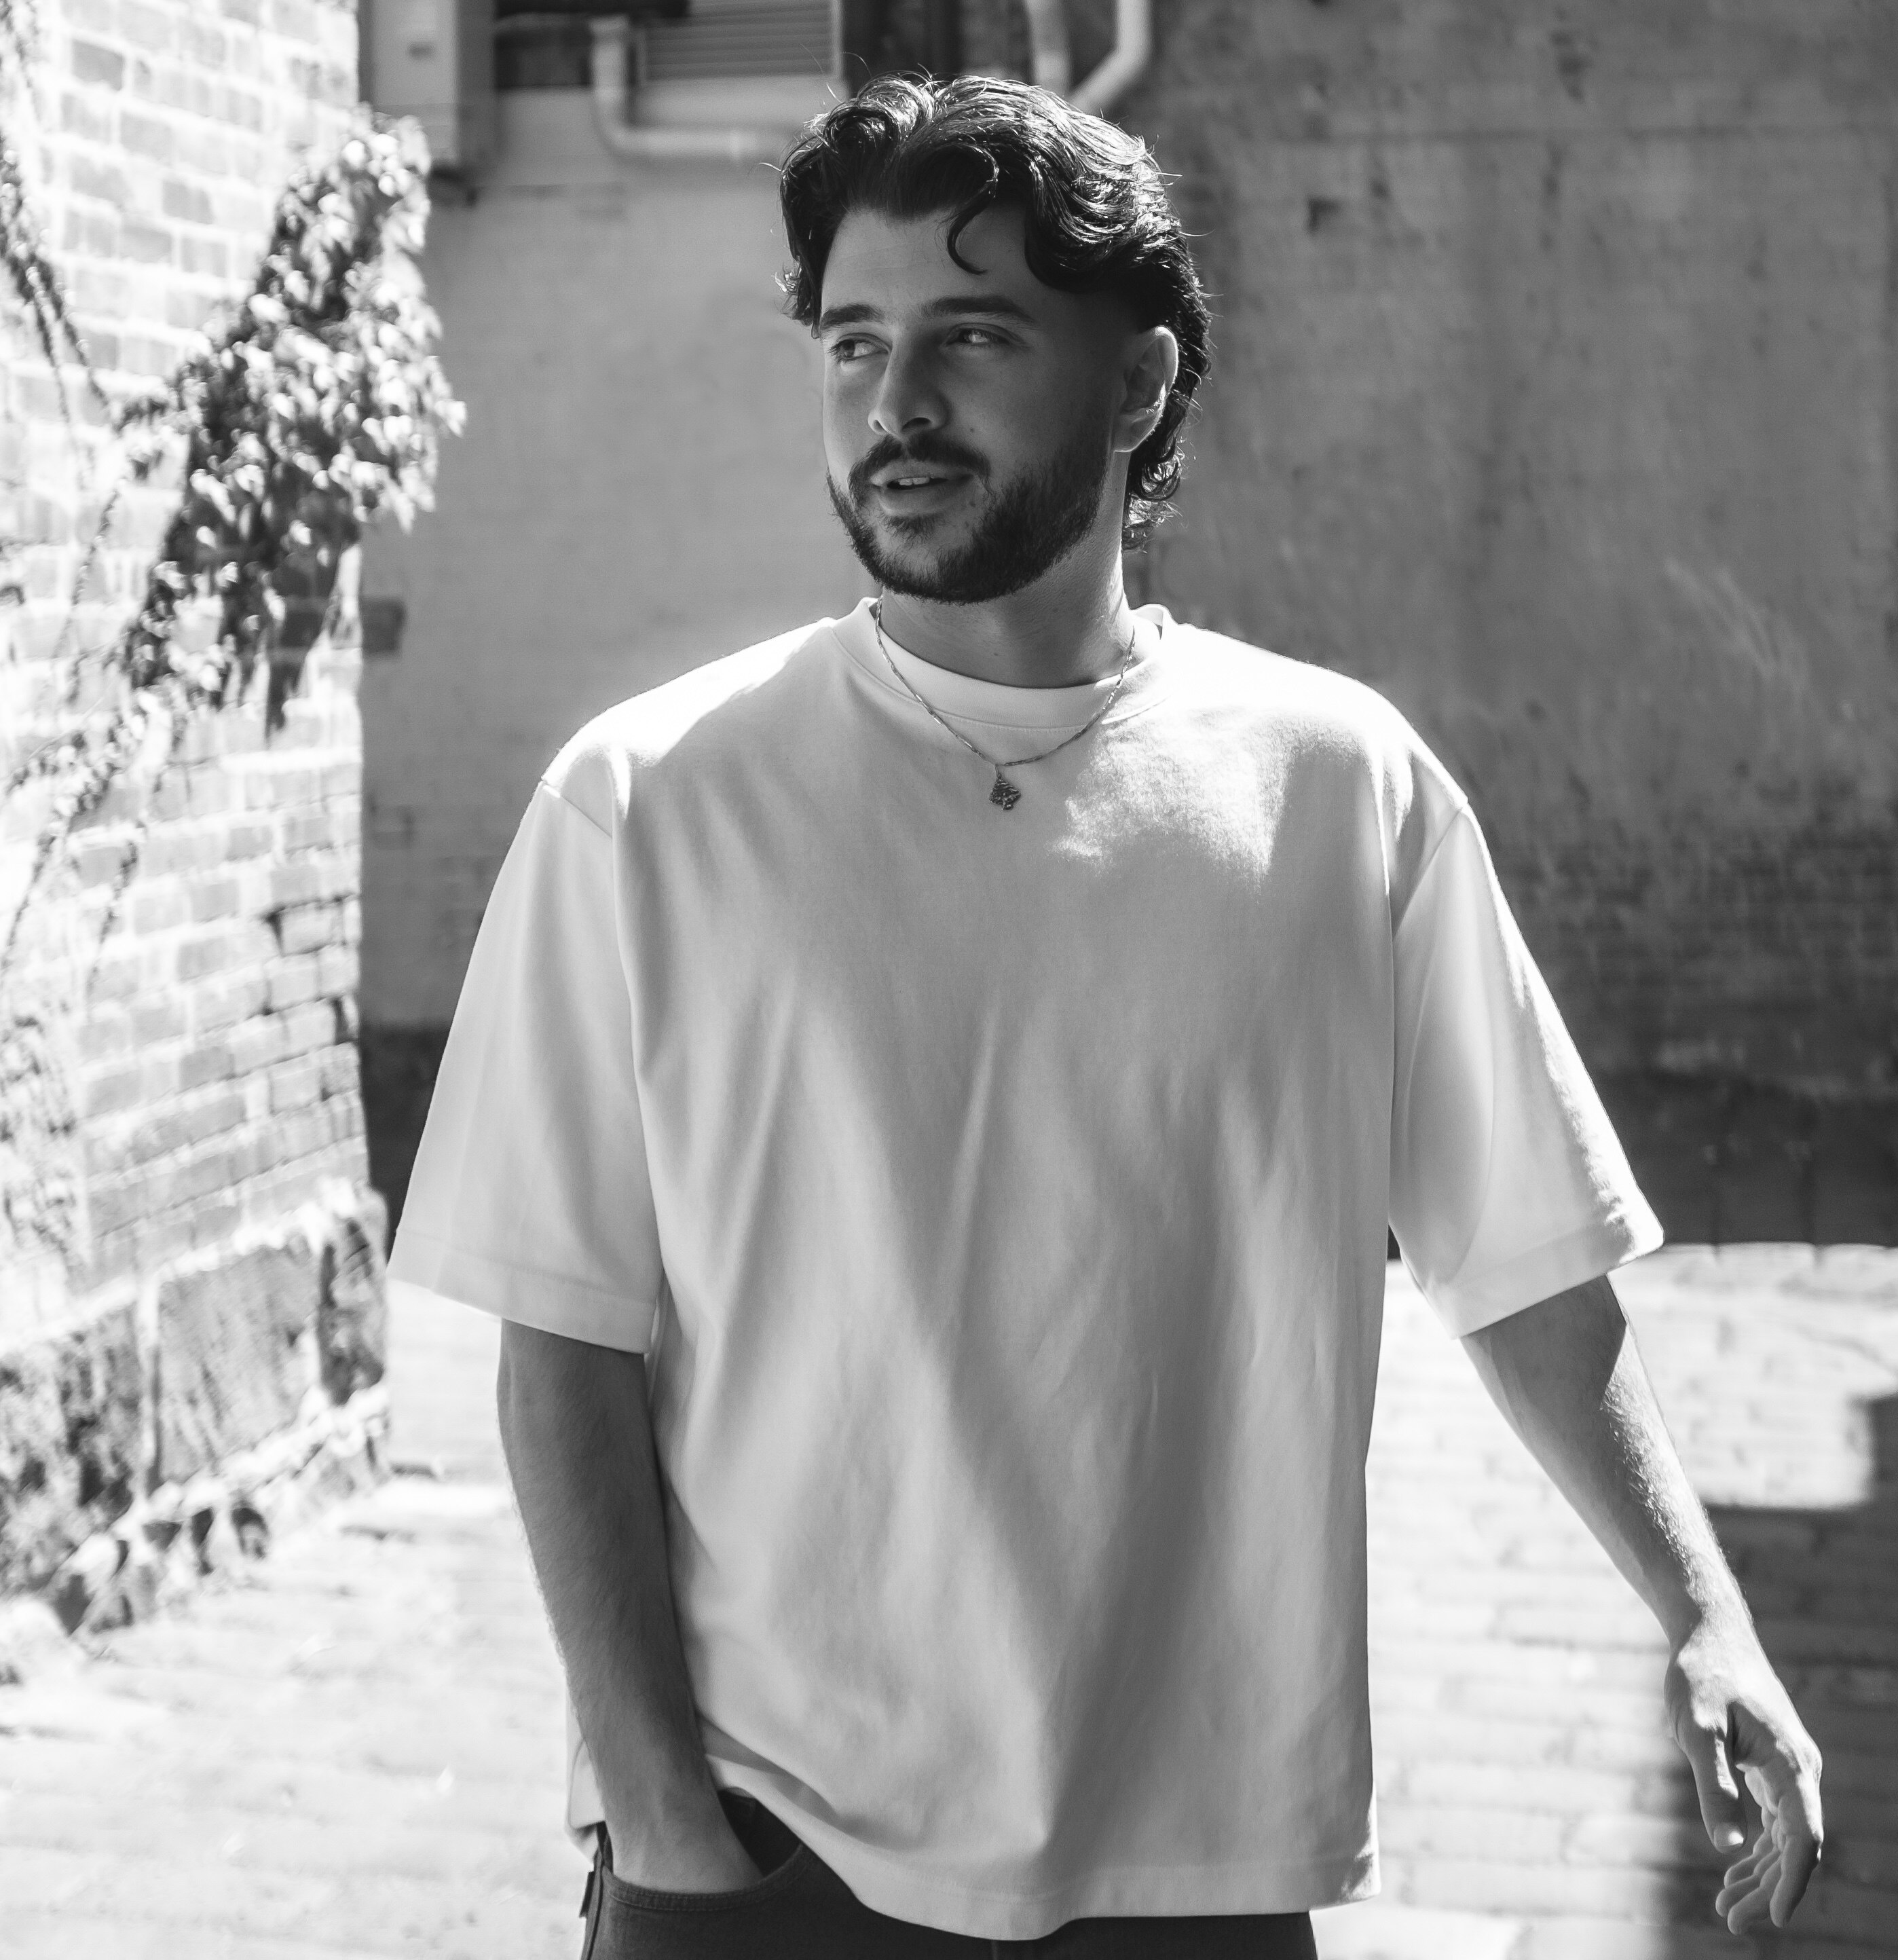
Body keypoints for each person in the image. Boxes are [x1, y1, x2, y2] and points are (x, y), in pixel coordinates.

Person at [388, 75, 1823, 1959]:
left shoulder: (1338, 789)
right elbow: (562, 1343)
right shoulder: (649, 805)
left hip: (1200, 1863)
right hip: (766, 1858)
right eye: (854, 343)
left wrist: (1707, 1610)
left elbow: (1531, 1262)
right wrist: (661, 1825)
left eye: (970, 339)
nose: (894, 407)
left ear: (1139, 384)